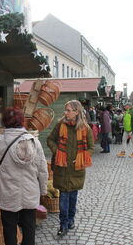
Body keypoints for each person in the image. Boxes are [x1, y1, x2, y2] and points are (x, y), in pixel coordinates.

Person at [0, 107, 48, 245]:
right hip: (29, 192)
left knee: (9, 229)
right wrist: (43, 190)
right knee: (29, 227)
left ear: (5, 122)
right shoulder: (34, 142)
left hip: (7, 193)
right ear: (22, 121)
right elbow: (42, 169)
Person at [47, 100, 94, 237]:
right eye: (65, 109)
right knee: (63, 199)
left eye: (68, 110)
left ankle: (71, 220)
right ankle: (63, 224)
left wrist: (82, 156)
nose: (65, 112)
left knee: (73, 198)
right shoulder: (60, 125)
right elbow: (50, 140)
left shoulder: (86, 129)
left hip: (77, 169)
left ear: (76, 112)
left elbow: (91, 148)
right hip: (62, 168)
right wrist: (58, 152)